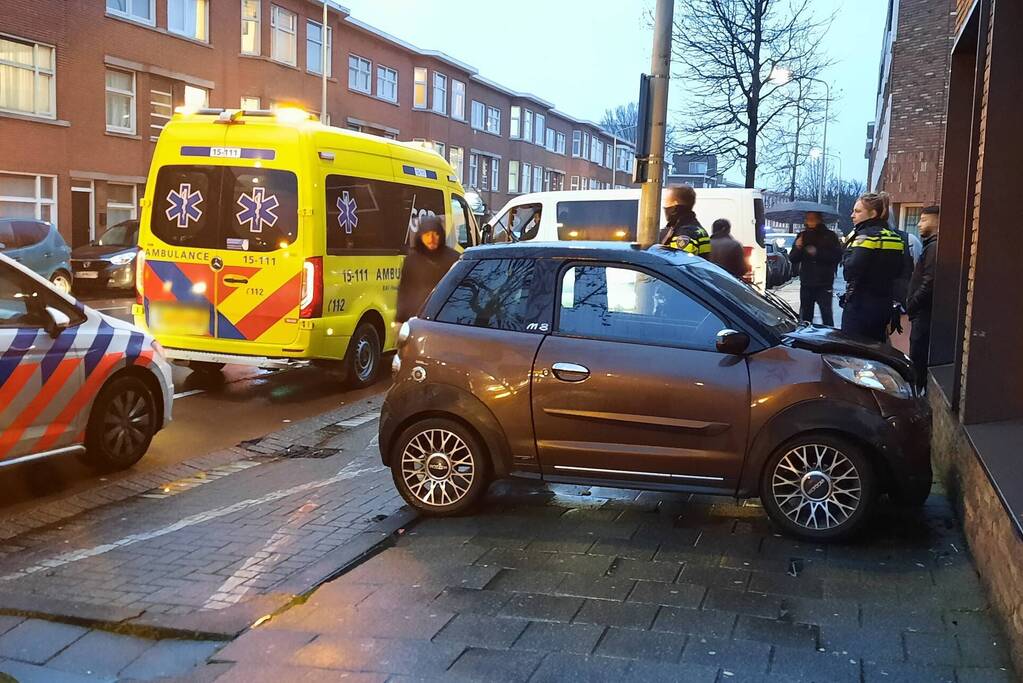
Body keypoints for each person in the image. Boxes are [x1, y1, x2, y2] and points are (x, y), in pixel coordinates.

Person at [840, 192, 909, 343]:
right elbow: (901, 272)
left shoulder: (864, 237)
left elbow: (849, 271)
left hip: (860, 306)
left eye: (858, 211)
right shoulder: (895, 238)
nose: (852, 215)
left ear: (873, 213)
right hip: (884, 304)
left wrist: (846, 250)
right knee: (876, 348)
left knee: (853, 351)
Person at [396, 215, 459, 323]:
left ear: (441, 235)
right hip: (417, 319)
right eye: (427, 234)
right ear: (420, 236)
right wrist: (400, 319)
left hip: (445, 320)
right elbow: (404, 291)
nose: (431, 239)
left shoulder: (453, 259)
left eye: (435, 234)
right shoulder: (412, 260)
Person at [789, 211, 842, 326]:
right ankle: (804, 338)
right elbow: (793, 259)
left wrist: (816, 253)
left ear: (819, 219)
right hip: (806, 282)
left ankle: (829, 338)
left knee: (826, 314)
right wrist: (798, 247)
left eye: (812, 218)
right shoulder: (802, 236)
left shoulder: (830, 236)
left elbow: (837, 256)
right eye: (807, 218)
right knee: (805, 316)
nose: (809, 221)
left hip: (824, 283)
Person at [906, 206, 939, 391]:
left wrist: (912, 304)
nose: (919, 224)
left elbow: (929, 282)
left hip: (923, 314)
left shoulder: (934, 247)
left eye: (925, 219)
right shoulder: (930, 245)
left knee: (918, 357)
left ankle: (918, 397)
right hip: (921, 313)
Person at [659, 185, 710, 258]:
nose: (665, 207)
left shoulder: (684, 233)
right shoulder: (698, 229)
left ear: (674, 205)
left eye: (666, 202)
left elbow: (677, 262)